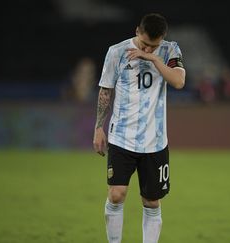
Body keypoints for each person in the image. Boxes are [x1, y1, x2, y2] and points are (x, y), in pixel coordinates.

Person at [92, 13, 186, 243]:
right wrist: (98, 127)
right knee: (116, 194)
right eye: (144, 44)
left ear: (162, 38)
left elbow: (178, 81)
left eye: (154, 45)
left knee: (151, 201)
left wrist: (152, 58)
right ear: (136, 31)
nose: (148, 48)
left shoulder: (170, 51)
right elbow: (105, 91)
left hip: (155, 140)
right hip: (121, 136)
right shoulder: (117, 52)